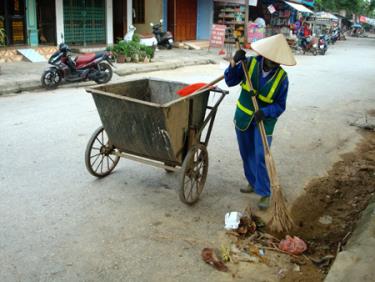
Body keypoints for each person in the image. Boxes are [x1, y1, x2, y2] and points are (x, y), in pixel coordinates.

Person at [224, 34, 296, 210]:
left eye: (277, 61)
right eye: (272, 59)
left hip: (264, 121)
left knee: (261, 155)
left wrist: (265, 112)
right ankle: (253, 182)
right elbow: (229, 81)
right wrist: (234, 63)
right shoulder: (249, 64)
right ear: (265, 55)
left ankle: (264, 192)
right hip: (243, 117)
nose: (274, 63)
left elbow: (280, 105)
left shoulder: (282, 79)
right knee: (246, 152)